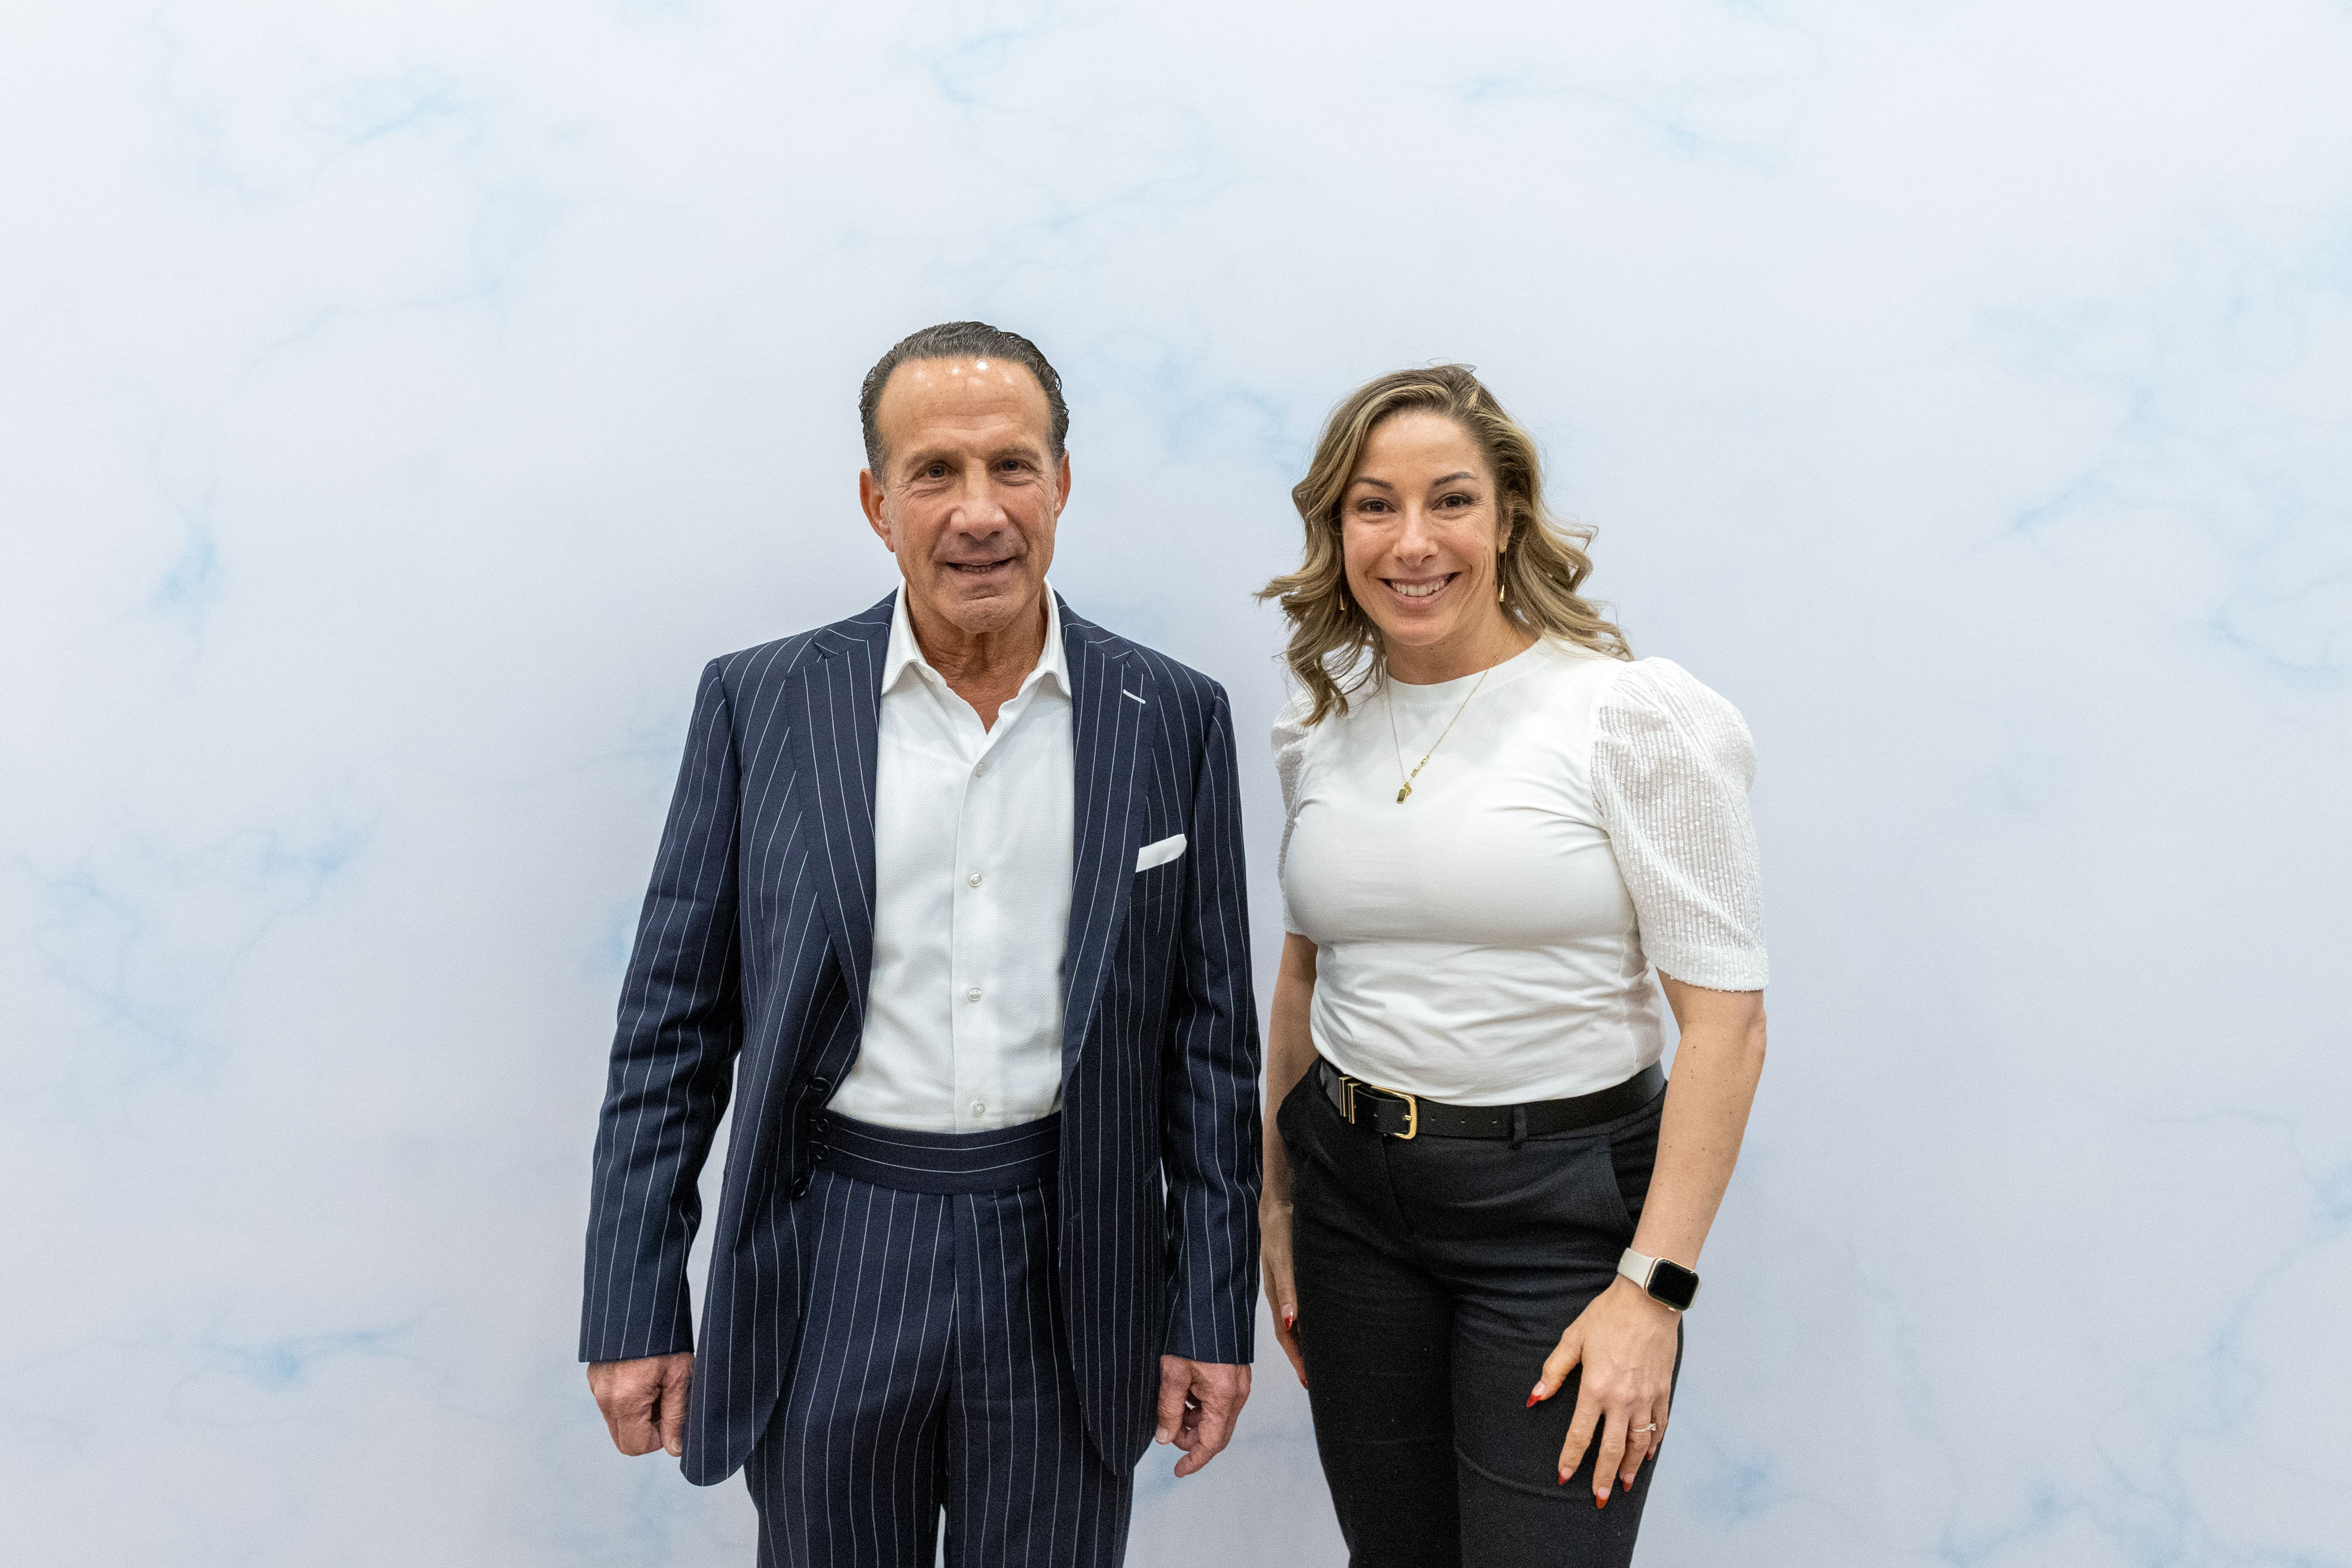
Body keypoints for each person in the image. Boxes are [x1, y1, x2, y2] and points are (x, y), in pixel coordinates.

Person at [580, 322, 1261, 1568]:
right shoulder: (760, 703)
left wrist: (1210, 1309)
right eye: (934, 472)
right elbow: (670, 1033)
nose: (977, 512)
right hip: (833, 1253)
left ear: (1061, 483)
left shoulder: (1171, 715)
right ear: (875, 502)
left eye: (1011, 466)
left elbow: (1209, 1054)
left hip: (1074, 1265)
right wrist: (634, 1301)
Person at [1256, 365, 1769, 1566]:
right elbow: (1305, 976)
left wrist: (1653, 1292)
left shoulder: (1627, 716)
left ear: (1507, 520)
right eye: (1375, 505)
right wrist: (1276, 1205)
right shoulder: (1321, 721)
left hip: (1559, 1221)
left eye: (1451, 500)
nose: (1412, 541)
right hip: (1351, 1210)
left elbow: (1728, 1028)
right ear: (1336, 529)